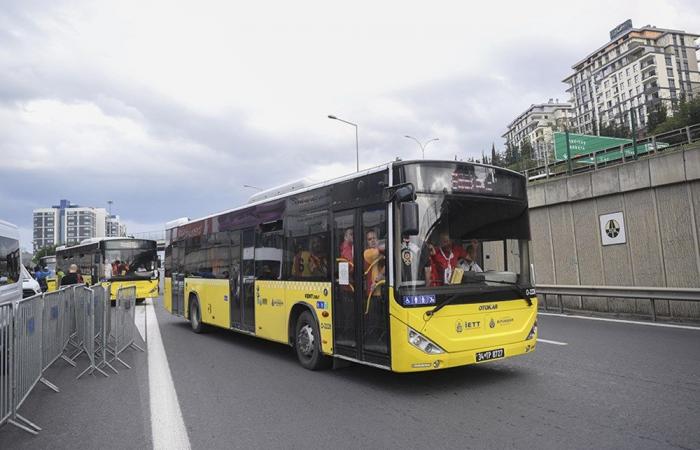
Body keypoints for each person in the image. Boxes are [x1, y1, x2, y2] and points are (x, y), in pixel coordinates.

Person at [363, 229, 385, 296]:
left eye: (374, 238)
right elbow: (379, 250)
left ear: (377, 239)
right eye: (369, 239)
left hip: (383, 290)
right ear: (367, 242)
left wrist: (381, 274)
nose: (372, 240)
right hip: (372, 293)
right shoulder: (367, 253)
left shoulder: (383, 253)